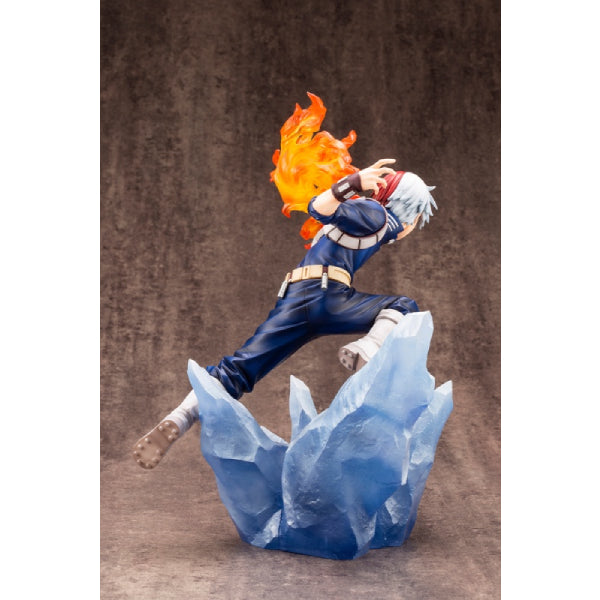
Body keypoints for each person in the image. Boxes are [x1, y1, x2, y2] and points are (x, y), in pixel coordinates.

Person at [133, 158, 437, 469]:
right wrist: (353, 183)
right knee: (402, 306)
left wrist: (357, 187)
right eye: (417, 215)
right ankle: (368, 348)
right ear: (410, 212)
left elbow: (363, 221)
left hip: (298, 298)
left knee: (241, 368)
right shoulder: (374, 214)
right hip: (328, 298)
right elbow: (320, 208)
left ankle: (180, 417)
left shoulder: (375, 218)